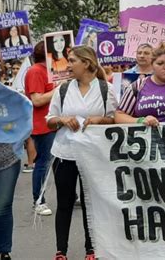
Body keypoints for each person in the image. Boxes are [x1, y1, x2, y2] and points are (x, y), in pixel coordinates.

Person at [46, 45, 118, 260]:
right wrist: (61, 120)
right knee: (65, 202)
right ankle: (61, 250)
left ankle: (91, 248)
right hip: (64, 153)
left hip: (94, 155)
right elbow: (49, 121)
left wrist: (99, 120)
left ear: (86, 63)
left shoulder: (106, 89)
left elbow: (115, 120)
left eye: (72, 60)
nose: (68, 65)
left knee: (91, 203)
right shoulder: (63, 89)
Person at [0, 47, 32, 260]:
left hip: (6, 159)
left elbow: (22, 120)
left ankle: (4, 252)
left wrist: (29, 144)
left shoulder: (10, 94)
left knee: (0, 208)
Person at [24, 41, 56, 216]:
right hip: (43, 125)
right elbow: (36, 100)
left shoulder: (52, 71)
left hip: (55, 122)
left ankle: (70, 195)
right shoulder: (36, 71)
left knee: (59, 163)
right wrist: (59, 89)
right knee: (43, 163)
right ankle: (38, 200)